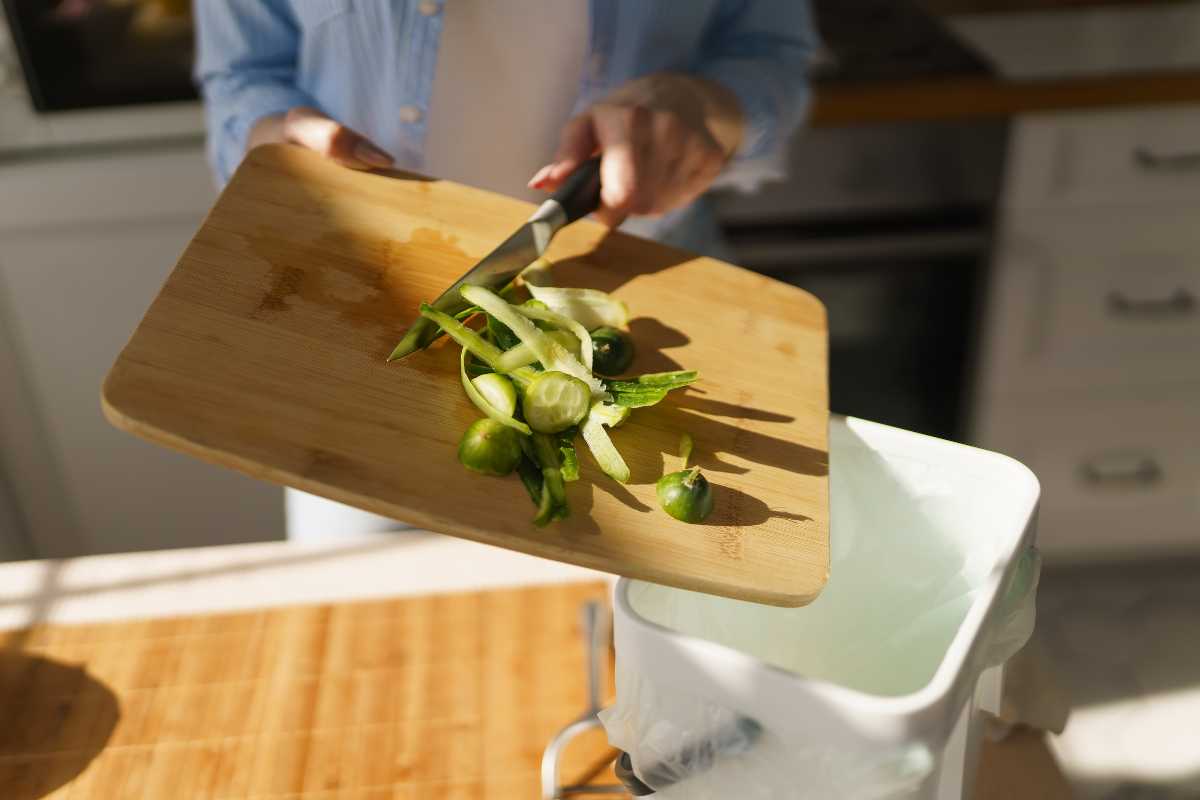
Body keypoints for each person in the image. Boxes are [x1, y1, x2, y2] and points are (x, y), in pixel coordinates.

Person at [195, 1, 818, 540]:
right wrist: (273, 135)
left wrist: (708, 107)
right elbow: (243, 73)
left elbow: (774, 57)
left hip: (649, 292)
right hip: (352, 319)